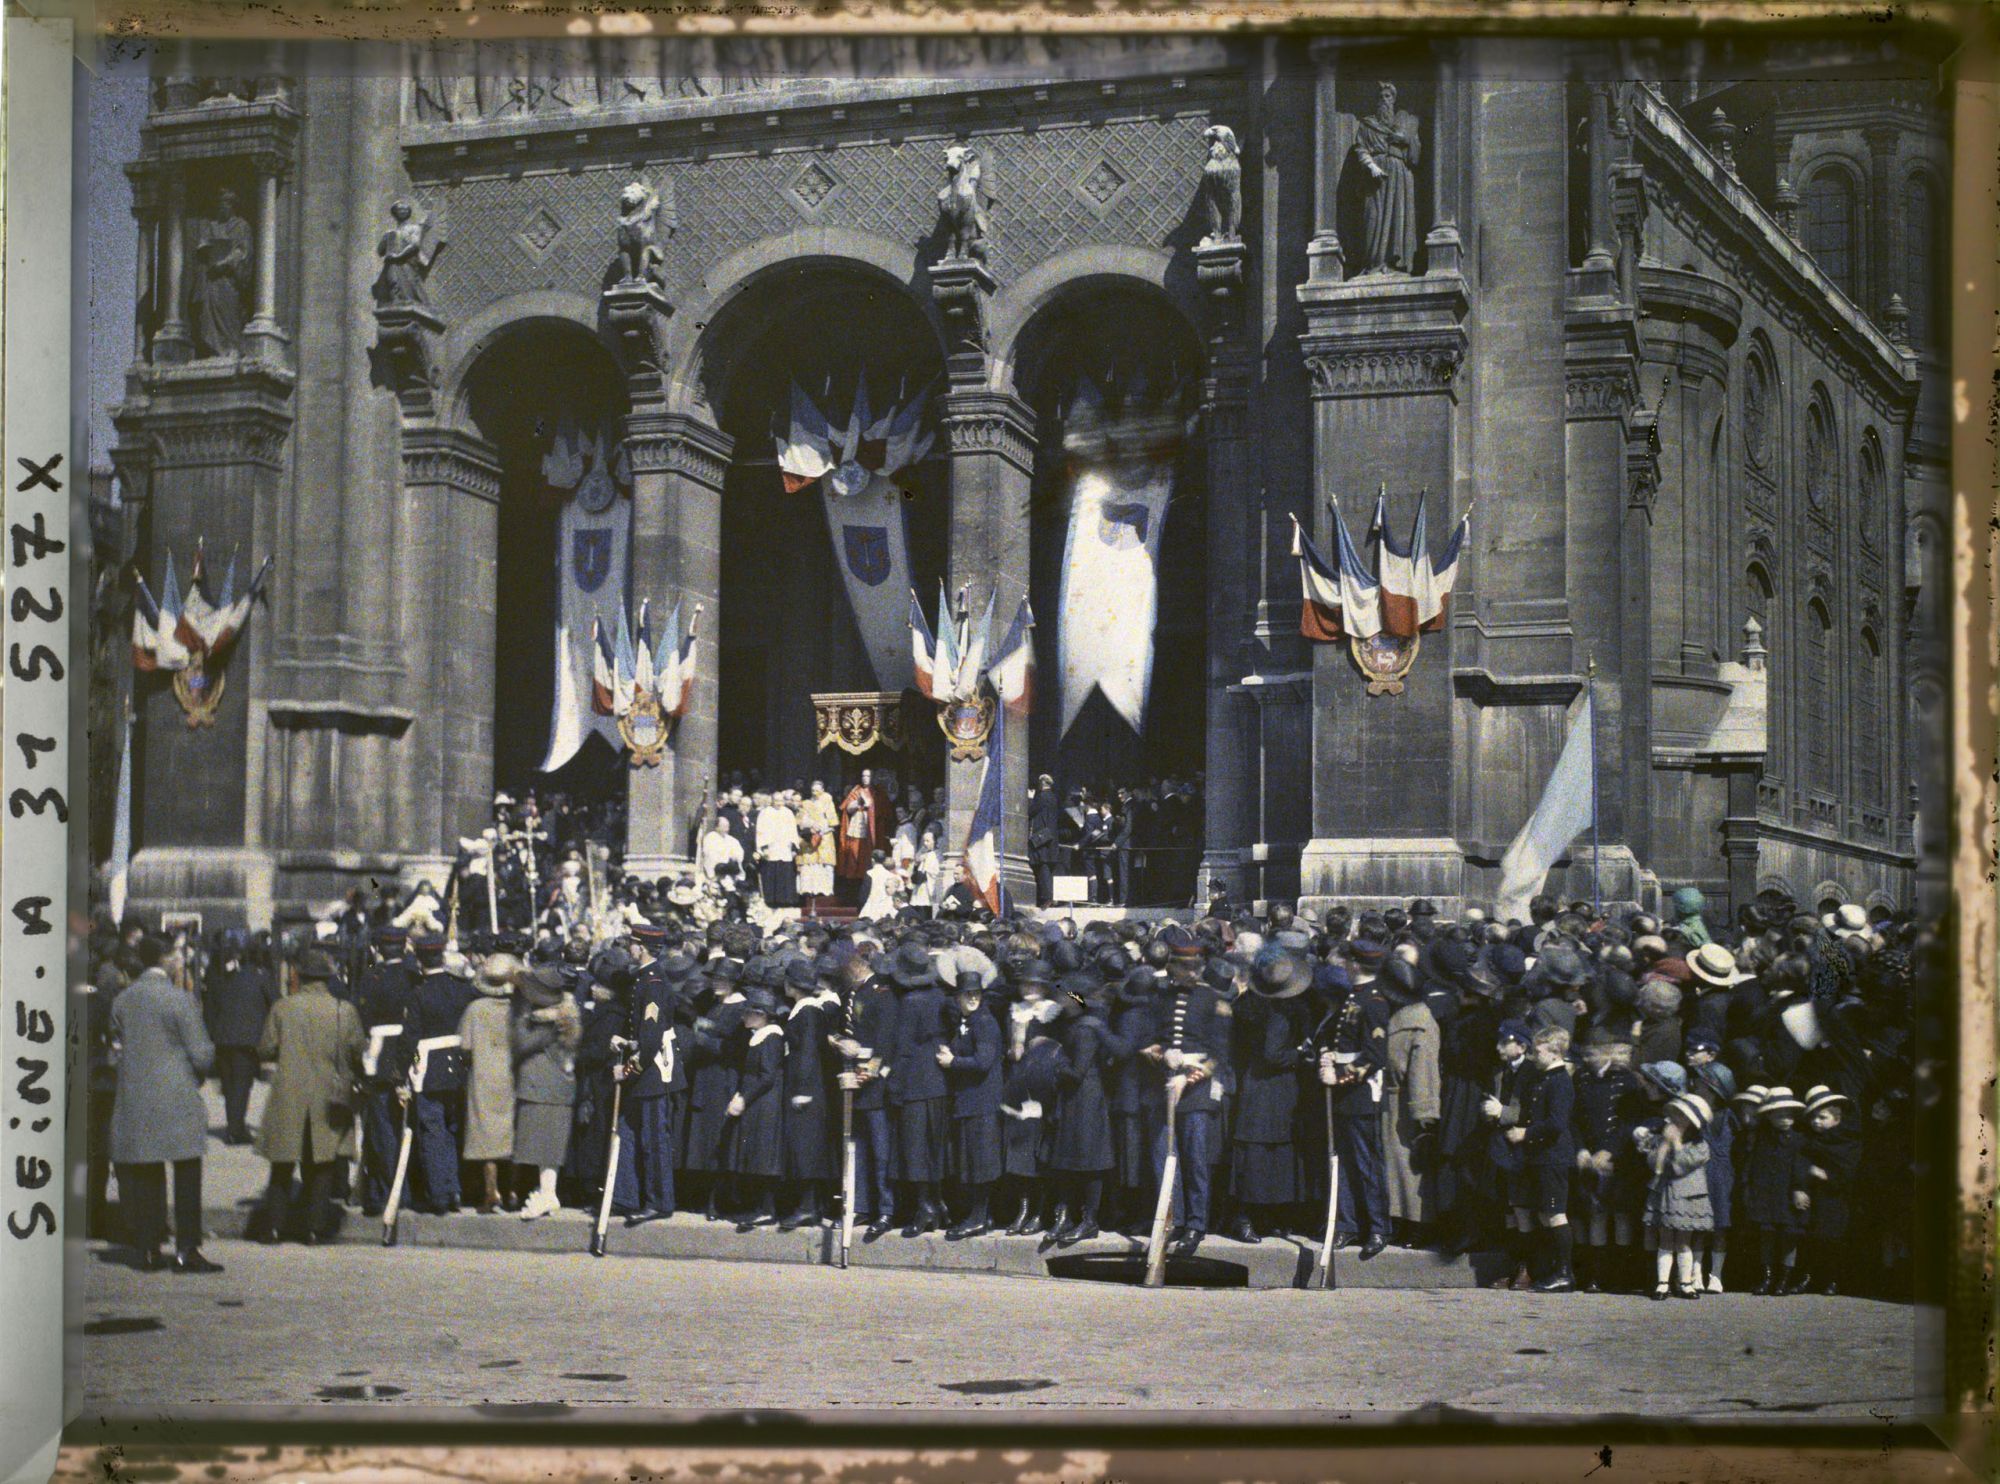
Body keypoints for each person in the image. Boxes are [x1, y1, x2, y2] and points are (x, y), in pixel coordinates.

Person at [110, 934, 222, 1274]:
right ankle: (187, 1249)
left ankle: (149, 1248)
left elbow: (117, 1048)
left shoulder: (123, 1001)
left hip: (137, 1098)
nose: (180, 960)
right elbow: (202, 1054)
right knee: (187, 1173)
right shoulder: (180, 1000)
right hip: (177, 1097)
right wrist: (196, 1074)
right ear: (167, 959)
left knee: (147, 1174)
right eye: (176, 954)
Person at [250, 948, 365, 1245]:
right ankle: (314, 1228)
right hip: (328, 1093)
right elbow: (357, 1050)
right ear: (328, 978)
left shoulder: (283, 1007)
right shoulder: (343, 1010)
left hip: (289, 1092)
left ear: (300, 976)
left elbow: (265, 1048)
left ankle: (274, 1227)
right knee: (322, 1164)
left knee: (282, 1163)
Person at [406, 934, 479, 1214]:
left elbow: (411, 1040)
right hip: (459, 1067)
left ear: (420, 960)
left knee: (433, 1131)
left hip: (429, 1068)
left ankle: (440, 1193)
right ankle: (456, 1189)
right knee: (454, 1128)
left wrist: (412, 1065)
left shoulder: (419, 993)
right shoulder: (462, 989)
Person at [884, 943, 952, 1235]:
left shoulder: (910, 1002)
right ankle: (938, 1203)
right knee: (933, 1146)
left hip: (915, 1081)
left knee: (915, 1148)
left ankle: (924, 1207)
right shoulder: (940, 996)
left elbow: (904, 1049)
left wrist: (894, 1085)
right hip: (938, 1078)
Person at [1379, 956, 1442, 1247]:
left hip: (1404, 1104)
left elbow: (1423, 1072)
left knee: (1409, 1168)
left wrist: (1424, 1115)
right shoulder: (1411, 1018)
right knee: (1397, 1168)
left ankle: (1418, 1223)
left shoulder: (1419, 1023)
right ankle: (1403, 1221)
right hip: (1393, 1101)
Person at [512, 962, 579, 1219]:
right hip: (554, 1088)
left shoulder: (545, 1022)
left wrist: (523, 1017)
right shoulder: (566, 1015)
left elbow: (521, 1044)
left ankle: (548, 1194)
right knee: (547, 1146)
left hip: (542, 1088)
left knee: (544, 1145)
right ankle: (547, 1191)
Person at [940, 971, 1004, 1239]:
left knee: (980, 1161)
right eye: (967, 994)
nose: (973, 998)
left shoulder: (984, 1022)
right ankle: (981, 1216)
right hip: (970, 1100)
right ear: (957, 997)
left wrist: (952, 1062)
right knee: (972, 1159)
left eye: (976, 993)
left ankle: (978, 1218)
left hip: (982, 1101)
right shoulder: (968, 1021)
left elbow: (983, 1061)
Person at [1514, 1024, 1578, 1292]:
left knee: (1554, 1214)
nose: (1533, 1056)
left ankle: (1564, 1273)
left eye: (1538, 1052)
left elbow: (1556, 1123)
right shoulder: (1546, 1078)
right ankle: (1552, 1269)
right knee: (1544, 1214)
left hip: (1553, 1157)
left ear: (1555, 1052)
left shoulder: (1560, 1081)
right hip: (1541, 1157)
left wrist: (1525, 1133)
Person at [1635, 1090, 1716, 1300]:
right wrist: (1662, 1144)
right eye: (1676, 1114)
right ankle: (1662, 1283)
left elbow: (1682, 1164)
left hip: (1687, 1197)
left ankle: (1685, 1283)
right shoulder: (1662, 1139)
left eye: (1682, 1116)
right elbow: (1652, 1162)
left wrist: (1676, 1143)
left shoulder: (1700, 1146)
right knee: (1665, 1240)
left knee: (1683, 1241)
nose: (1676, 1119)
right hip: (1664, 1194)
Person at [778, 957, 840, 1230]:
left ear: (791, 985)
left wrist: (803, 1089)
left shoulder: (809, 1012)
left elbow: (808, 1053)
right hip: (805, 1087)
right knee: (804, 1147)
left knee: (807, 1149)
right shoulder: (806, 1010)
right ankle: (808, 1206)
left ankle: (808, 1207)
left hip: (808, 1089)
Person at [458, 954, 518, 1214]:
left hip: (483, 1076)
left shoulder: (474, 1009)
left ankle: (491, 1191)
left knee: (486, 1136)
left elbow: (464, 1046)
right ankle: (512, 1190)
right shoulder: (518, 1010)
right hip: (511, 1076)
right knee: (511, 1134)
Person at [205, 930, 276, 1146]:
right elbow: (275, 1002)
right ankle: (236, 1130)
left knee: (229, 1083)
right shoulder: (260, 975)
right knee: (241, 1085)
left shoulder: (218, 976)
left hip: (223, 1036)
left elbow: (210, 1007)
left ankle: (234, 1125)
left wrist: (213, 1033)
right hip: (247, 1038)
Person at [725, 986, 786, 1231]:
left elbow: (767, 1076)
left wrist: (745, 1098)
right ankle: (757, 1207)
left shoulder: (771, 1038)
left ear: (761, 1015)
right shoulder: (759, 1036)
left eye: (748, 1013)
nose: (743, 1017)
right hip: (756, 1101)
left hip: (764, 1103)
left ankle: (767, 1210)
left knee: (763, 1157)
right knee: (755, 1156)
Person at [754, 792, 800, 909]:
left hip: (785, 849)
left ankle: (785, 900)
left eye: (781, 801)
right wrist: (763, 848)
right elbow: (760, 831)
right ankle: (771, 900)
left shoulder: (788, 813)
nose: (779, 803)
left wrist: (794, 848)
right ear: (772, 801)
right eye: (776, 801)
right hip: (771, 849)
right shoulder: (765, 813)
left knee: (785, 875)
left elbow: (793, 831)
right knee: (771, 874)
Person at [796, 782, 838, 901]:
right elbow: (800, 821)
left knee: (825, 862)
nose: (815, 793)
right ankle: (808, 889)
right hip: (810, 836)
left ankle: (824, 889)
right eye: (813, 790)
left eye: (818, 790)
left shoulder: (828, 802)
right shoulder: (806, 803)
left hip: (825, 835)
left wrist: (823, 829)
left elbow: (833, 822)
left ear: (823, 790)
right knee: (809, 862)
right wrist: (810, 826)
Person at [1027, 774, 1062, 907]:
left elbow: (1030, 811)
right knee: (1047, 866)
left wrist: (1030, 798)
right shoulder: (1053, 797)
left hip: (1041, 837)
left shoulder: (1042, 797)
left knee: (1042, 866)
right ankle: (1050, 896)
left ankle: (1047, 897)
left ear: (1042, 783)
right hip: (1050, 836)